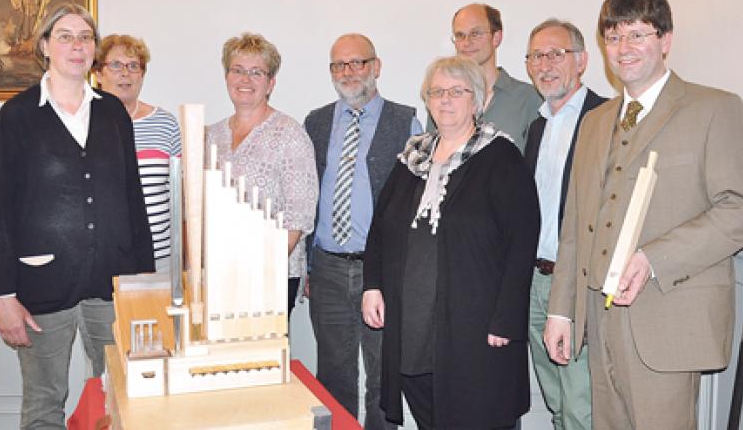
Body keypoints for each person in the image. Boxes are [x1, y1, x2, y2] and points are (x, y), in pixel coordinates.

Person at [543, 0, 743, 430]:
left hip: (668, 319)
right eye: (614, 37)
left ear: (666, 39)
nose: (624, 49)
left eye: (638, 35)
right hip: (597, 323)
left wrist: (652, 259)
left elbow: (739, 212)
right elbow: (574, 227)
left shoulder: (714, 108)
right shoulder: (594, 121)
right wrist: (560, 311)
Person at [0, 3, 154, 429]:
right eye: (65, 36)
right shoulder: (16, 117)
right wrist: (3, 297)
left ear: (93, 50)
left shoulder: (114, 113)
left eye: (85, 37)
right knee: (43, 403)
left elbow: (134, 199)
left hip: (112, 283)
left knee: (122, 399)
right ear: (45, 46)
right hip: (41, 284)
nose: (77, 46)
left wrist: (142, 285)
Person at [362, 56, 539, 429]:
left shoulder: (500, 157)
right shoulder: (412, 157)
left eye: (457, 92)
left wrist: (506, 319)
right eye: (437, 92)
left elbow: (522, 245)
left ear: (477, 100)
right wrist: (373, 285)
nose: (445, 100)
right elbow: (380, 229)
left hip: (475, 329)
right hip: (414, 327)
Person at [304, 33, 421, 429]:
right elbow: (308, 194)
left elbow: (415, 202)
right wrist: (306, 263)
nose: (349, 72)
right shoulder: (317, 122)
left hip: (383, 272)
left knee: (383, 378)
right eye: (340, 65)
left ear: (377, 66)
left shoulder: (406, 120)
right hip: (328, 270)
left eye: (358, 63)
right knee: (334, 378)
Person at [523, 19, 606, 430]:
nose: (546, 64)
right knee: (556, 400)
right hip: (535, 281)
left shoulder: (606, 117)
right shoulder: (537, 126)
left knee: (580, 404)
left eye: (557, 53)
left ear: (582, 61)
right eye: (537, 55)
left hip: (576, 282)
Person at [206, 32, 317, 318]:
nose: (245, 80)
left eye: (256, 72)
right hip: (219, 273)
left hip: (271, 276)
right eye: (238, 70)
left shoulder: (289, 134)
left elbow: (299, 214)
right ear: (226, 76)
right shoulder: (211, 136)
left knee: (264, 359)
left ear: (271, 83)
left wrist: (262, 273)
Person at [93, 34, 182, 273]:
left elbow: (180, 196)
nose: (126, 73)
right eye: (115, 65)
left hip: (160, 257)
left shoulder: (166, 123)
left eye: (134, 66)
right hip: (104, 257)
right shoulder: (83, 124)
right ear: (98, 73)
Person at [445, 3, 541, 149]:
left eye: (475, 33)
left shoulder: (529, 99)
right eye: (460, 35)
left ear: (496, 37)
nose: (466, 42)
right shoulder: (443, 99)